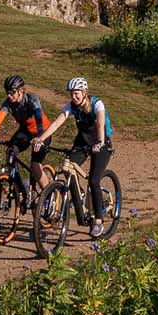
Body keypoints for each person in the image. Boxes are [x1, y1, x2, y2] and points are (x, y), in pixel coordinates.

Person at [33, 77, 114, 237]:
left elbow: (100, 123)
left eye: (76, 93)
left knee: (94, 180)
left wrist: (100, 142)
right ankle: (81, 201)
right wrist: (40, 139)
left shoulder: (97, 104)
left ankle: (98, 220)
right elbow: (57, 123)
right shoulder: (71, 106)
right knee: (67, 167)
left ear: (84, 93)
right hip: (82, 143)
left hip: (101, 143)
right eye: (71, 94)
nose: (73, 97)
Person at [0, 75, 49, 193]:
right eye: (7, 92)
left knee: (35, 166)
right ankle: (20, 185)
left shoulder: (32, 100)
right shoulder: (8, 104)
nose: (8, 95)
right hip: (26, 131)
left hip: (42, 132)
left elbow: (38, 118)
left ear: (21, 91)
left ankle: (47, 195)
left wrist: (39, 138)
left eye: (12, 92)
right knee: (10, 152)